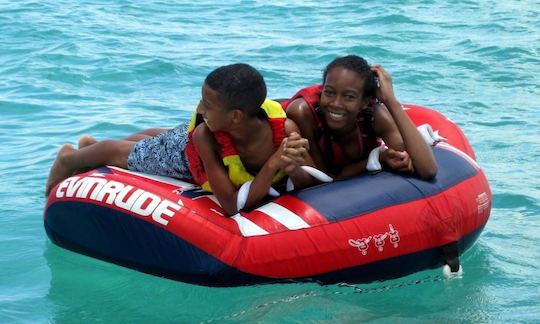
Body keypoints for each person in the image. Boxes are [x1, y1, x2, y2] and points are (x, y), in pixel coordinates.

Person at [46, 63, 312, 216]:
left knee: (159, 138)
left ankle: (88, 146)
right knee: (125, 153)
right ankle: (70, 157)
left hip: (186, 137)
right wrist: (273, 164)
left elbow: (312, 180)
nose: (200, 109)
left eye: (206, 104)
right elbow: (230, 205)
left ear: (236, 117)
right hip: (185, 157)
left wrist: (292, 164)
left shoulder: (286, 130)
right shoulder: (205, 135)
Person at [283, 55, 437, 180]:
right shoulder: (303, 113)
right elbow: (323, 179)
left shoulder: (374, 115)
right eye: (329, 92)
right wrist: (378, 158)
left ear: (364, 102)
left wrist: (390, 101)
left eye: (349, 97)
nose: (336, 104)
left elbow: (428, 170)